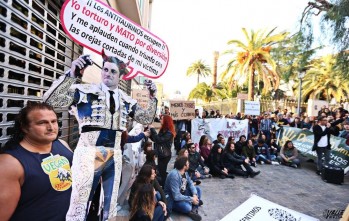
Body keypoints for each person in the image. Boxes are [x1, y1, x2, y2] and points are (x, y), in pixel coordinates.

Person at [43, 52, 158, 221]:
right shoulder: (85, 91)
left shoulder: (125, 100)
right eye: (105, 70)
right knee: (80, 204)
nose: (107, 74)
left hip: (114, 155)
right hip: (89, 153)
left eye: (113, 71)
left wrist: (152, 97)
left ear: (120, 76)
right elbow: (51, 101)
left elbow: (146, 118)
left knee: (108, 206)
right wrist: (72, 74)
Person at [0, 102, 73, 221]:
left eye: (53, 121)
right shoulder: (9, 163)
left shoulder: (63, 145)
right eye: (42, 123)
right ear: (24, 127)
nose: (51, 127)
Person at [164, 156, 202, 221]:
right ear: (184, 166)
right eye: (187, 163)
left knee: (198, 189)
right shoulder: (174, 175)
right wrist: (191, 199)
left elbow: (190, 183)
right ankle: (193, 207)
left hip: (182, 193)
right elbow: (176, 196)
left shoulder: (185, 173)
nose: (189, 164)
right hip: (173, 198)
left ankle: (194, 209)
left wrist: (194, 194)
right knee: (187, 207)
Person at [149, 114, 176, 186]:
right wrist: (150, 134)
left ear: (166, 121)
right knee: (161, 172)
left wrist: (152, 130)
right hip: (161, 154)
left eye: (162, 119)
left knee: (162, 172)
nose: (160, 120)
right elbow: (156, 139)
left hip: (165, 155)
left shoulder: (169, 133)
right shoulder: (163, 130)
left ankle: (164, 187)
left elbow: (159, 140)